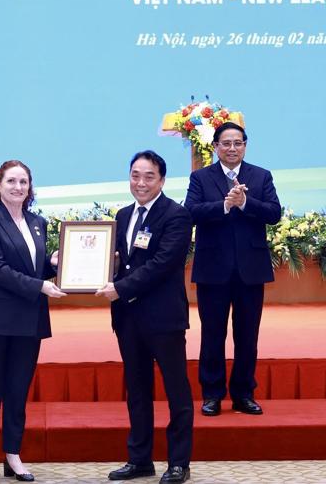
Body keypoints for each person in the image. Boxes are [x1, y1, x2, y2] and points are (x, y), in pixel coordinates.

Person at [97, 151, 193, 484]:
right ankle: (140, 459)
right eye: (135, 175)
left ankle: (179, 462)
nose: (141, 182)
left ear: (162, 180)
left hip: (163, 318)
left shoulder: (177, 216)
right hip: (129, 318)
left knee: (176, 391)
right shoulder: (123, 215)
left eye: (149, 176)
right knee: (137, 390)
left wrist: (120, 288)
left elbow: (162, 264)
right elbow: (125, 260)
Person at [0, 160, 66, 484]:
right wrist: (40, 285)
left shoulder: (37, 222)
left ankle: (13, 455)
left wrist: (54, 265)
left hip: (27, 320)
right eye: (11, 181)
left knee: (16, 391)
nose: (18, 187)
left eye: (24, 181)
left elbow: (33, 268)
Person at [184, 121, 281, 417]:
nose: (232, 148)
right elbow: (190, 212)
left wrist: (246, 203)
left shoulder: (261, 176)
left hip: (250, 270)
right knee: (213, 334)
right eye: (226, 143)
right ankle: (212, 394)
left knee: (247, 334)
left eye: (237, 143)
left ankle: (243, 394)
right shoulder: (201, 178)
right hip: (213, 269)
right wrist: (225, 206)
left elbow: (274, 213)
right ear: (215, 147)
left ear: (245, 145)